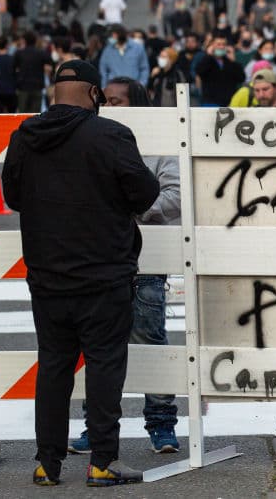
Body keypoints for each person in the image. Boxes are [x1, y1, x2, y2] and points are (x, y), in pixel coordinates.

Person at [2, 60, 159, 487]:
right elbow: (145, 192)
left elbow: (12, 197)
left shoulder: (25, 137)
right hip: (104, 273)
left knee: (53, 366)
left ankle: (46, 464)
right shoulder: (110, 135)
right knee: (105, 367)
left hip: (47, 274)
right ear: (93, 95)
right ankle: (103, 462)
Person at [67, 77, 181, 457]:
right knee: (97, 345)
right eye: (106, 102)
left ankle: (162, 425)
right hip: (100, 258)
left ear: (138, 105)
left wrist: (128, 212)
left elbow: (175, 195)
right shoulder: (92, 142)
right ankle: (94, 428)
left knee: (150, 337)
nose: (111, 108)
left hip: (146, 258)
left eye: (119, 101)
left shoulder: (159, 144)